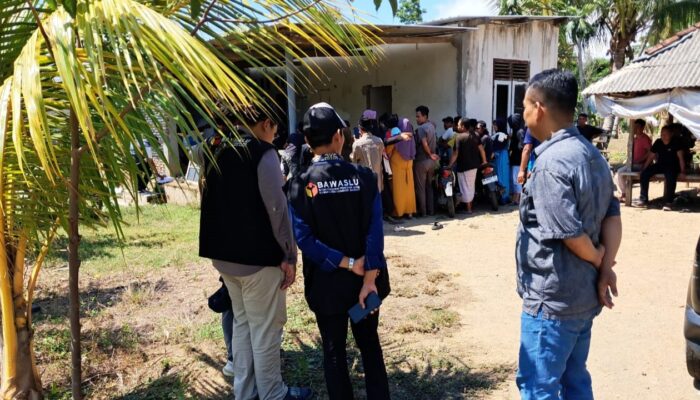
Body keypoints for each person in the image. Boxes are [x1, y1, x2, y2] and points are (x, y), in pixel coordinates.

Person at [516, 69, 622, 399]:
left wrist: (596, 256)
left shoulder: (550, 163)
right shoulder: (593, 157)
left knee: (538, 385)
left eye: (524, 106)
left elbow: (567, 231)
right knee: (574, 380)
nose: (523, 115)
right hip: (583, 296)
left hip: (552, 300)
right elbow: (613, 218)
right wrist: (604, 269)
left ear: (539, 108)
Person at [197, 108, 312, 400]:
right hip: (258, 259)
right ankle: (274, 393)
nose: (275, 136)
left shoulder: (216, 148)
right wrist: (289, 254)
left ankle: (245, 393)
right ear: (265, 124)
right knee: (265, 330)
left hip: (223, 257)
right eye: (274, 129)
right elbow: (277, 208)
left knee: (243, 324)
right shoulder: (263, 153)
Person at [289, 102, 391, 400]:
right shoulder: (365, 177)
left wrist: (345, 263)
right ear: (339, 136)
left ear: (307, 141)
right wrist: (369, 278)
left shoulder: (299, 183)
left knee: (334, 352)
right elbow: (375, 231)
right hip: (364, 285)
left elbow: (304, 239)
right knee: (370, 347)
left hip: (327, 286)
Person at [635, 125, 686, 208]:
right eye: (662, 134)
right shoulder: (658, 142)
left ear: (671, 134)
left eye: (665, 134)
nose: (663, 136)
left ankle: (669, 202)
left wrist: (683, 171)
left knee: (670, 176)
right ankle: (643, 199)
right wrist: (644, 168)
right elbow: (650, 156)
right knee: (644, 174)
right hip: (660, 165)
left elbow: (681, 158)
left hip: (672, 166)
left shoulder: (676, 142)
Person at [449, 118, 487, 214]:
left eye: (458, 125)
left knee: (465, 187)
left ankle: (468, 209)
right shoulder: (475, 135)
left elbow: (455, 153)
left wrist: (449, 164)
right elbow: (481, 149)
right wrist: (484, 161)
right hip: (474, 166)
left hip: (463, 166)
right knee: (470, 186)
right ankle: (469, 206)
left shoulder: (459, 137)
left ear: (462, 126)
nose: (457, 126)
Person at [386, 116, 417, 219]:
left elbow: (389, 149)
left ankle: (399, 212)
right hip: (409, 161)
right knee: (409, 188)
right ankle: (410, 212)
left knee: (398, 188)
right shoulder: (411, 136)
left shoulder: (397, 135)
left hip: (397, 163)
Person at [615, 119, 652, 202]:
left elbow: (650, 152)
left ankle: (625, 194)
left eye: (637, 127)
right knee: (617, 175)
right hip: (632, 164)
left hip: (640, 165)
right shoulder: (633, 138)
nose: (635, 128)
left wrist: (640, 160)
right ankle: (624, 193)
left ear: (642, 128)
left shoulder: (644, 138)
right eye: (634, 127)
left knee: (620, 172)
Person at [413, 105, 439, 217]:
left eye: (418, 117)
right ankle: (431, 211)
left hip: (422, 160)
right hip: (431, 162)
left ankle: (423, 213)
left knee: (420, 188)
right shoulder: (432, 126)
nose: (417, 119)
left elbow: (424, 144)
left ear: (425, 116)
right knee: (429, 186)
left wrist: (429, 154)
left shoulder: (421, 129)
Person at [353, 111, 386, 192]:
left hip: (364, 182)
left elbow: (354, 162)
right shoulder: (379, 140)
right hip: (377, 180)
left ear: (360, 128)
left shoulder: (357, 144)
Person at [491, 119, 511, 204]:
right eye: (494, 125)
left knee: (502, 176)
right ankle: (501, 197)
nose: (494, 127)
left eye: (496, 125)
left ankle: (503, 197)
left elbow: (498, 147)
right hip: (500, 157)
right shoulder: (499, 134)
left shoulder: (502, 135)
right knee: (499, 176)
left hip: (501, 158)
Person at [508, 114, 525, 204]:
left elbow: (523, 145)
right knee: (513, 179)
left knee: (517, 179)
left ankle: (517, 198)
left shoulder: (520, 132)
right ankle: (515, 197)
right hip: (514, 158)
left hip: (518, 159)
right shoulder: (516, 131)